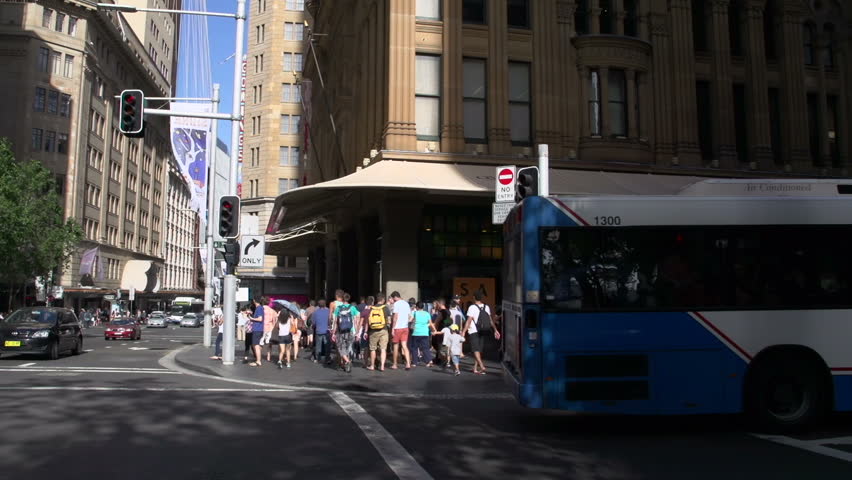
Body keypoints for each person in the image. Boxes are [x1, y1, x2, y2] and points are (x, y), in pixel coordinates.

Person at [462, 290, 500, 375]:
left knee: (475, 349)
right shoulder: (486, 307)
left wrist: (464, 331)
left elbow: (468, 321)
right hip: (483, 330)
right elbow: (490, 320)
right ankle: (475, 368)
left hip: (474, 330)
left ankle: (482, 366)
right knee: (479, 349)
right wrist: (495, 330)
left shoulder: (472, 307)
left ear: (474, 297)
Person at [332, 293, 359, 373]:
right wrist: (357, 332)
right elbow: (355, 320)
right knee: (347, 348)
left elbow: (335, 321)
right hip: (350, 331)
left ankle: (347, 361)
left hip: (340, 331)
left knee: (341, 348)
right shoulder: (352, 308)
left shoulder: (338, 308)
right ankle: (346, 365)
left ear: (342, 299)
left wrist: (333, 332)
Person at [366, 293, 390, 371]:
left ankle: (372, 366)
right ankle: (382, 366)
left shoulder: (372, 308)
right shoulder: (385, 308)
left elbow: (368, 321)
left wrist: (366, 331)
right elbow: (389, 321)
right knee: (383, 349)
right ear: (383, 300)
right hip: (383, 330)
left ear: (377, 299)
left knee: (373, 349)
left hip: (373, 331)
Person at [389, 291, 412, 370]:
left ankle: (395, 364)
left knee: (396, 346)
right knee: (404, 346)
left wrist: (393, 328)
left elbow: (395, 316)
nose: (393, 300)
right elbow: (409, 316)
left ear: (395, 297)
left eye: (393, 298)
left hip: (397, 328)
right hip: (405, 328)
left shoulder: (396, 304)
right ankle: (408, 363)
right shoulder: (406, 304)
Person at [410, 301, 436, 367]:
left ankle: (414, 362)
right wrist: (434, 330)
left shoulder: (414, 313)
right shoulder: (427, 313)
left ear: (417, 307)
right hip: (425, 332)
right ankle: (429, 361)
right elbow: (430, 323)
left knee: (414, 348)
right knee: (425, 348)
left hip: (416, 332)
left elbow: (410, 320)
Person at [312, 299, 331, 364]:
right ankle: (327, 359)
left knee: (318, 345)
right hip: (326, 330)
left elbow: (313, 323)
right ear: (325, 304)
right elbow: (330, 321)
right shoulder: (328, 311)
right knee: (327, 345)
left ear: (318, 305)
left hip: (318, 330)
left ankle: (317, 358)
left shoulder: (315, 312)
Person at [248, 297, 266, 366]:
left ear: (254, 300)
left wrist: (252, 318)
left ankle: (258, 361)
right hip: (257, 329)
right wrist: (251, 316)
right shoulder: (258, 308)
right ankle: (257, 359)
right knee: (254, 345)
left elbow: (260, 319)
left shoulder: (259, 308)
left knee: (256, 345)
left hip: (257, 329)